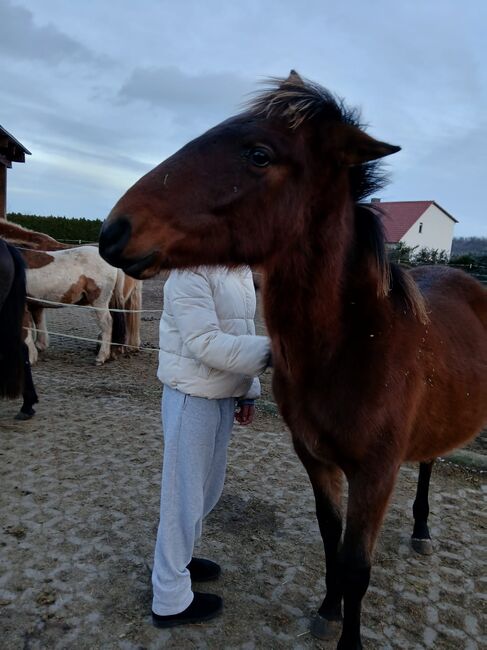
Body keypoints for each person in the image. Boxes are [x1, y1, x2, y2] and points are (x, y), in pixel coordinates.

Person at [151, 265, 271, 628]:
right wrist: (281, 350)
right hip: (192, 395)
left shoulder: (235, 271)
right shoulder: (190, 272)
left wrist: (248, 390)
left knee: (206, 490)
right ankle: (169, 599)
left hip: (220, 394)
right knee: (182, 496)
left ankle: (181, 560)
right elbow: (205, 342)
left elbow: (240, 330)